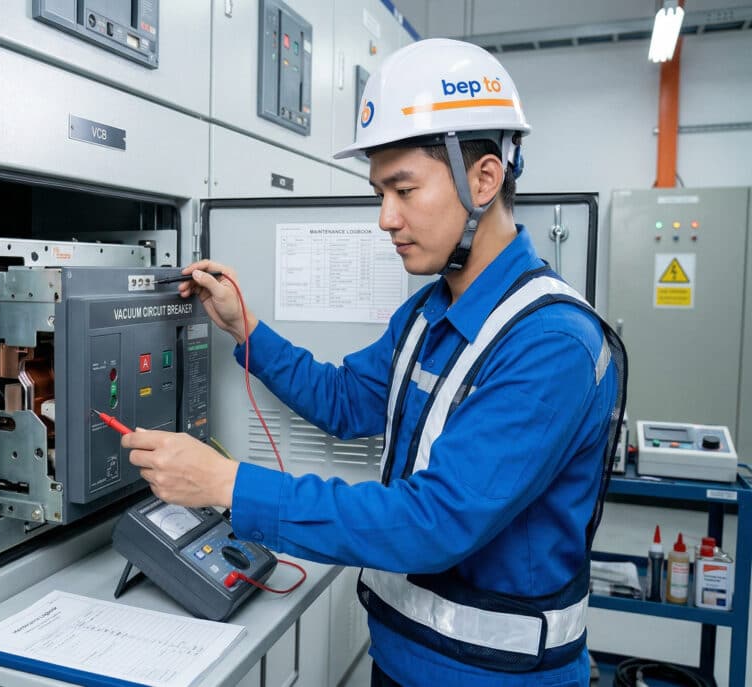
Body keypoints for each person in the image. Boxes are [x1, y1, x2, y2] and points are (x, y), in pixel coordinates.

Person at [122, 38, 626, 686]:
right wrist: (246, 330)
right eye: (378, 191)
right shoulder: (427, 316)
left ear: (484, 179)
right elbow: (344, 401)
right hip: (401, 661)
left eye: (404, 189)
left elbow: (434, 521)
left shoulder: (552, 345)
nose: (385, 218)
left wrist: (227, 484)